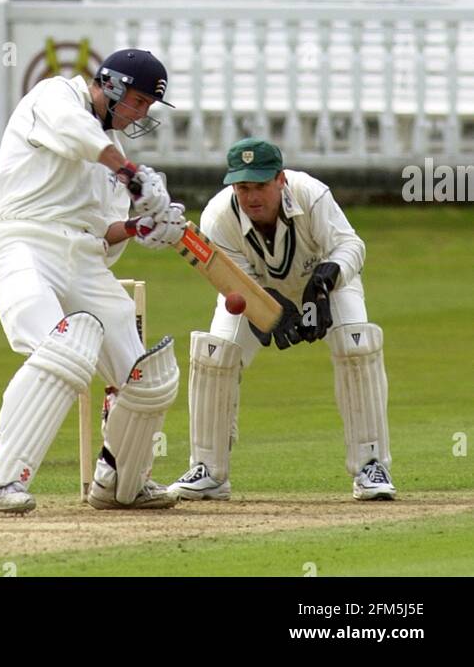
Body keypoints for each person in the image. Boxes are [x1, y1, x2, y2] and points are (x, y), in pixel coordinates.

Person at [0, 48, 184, 514]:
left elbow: (104, 236)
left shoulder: (114, 156)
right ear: (111, 85)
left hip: (83, 259)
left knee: (147, 378)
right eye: (141, 102)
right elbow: (76, 133)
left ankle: (120, 481)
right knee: (64, 348)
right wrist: (130, 176)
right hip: (23, 242)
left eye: (150, 106)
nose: (142, 114)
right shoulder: (54, 96)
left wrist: (139, 228)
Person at [168, 137, 395, 504]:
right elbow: (237, 283)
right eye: (243, 187)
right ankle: (208, 470)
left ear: (280, 180)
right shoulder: (217, 217)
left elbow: (351, 245)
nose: (252, 196)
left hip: (327, 283)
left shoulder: (311, 195)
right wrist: (268, 313)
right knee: (216, 354)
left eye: (260, 185)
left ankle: (371, 465)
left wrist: (326, 279)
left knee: (357, 345)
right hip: (253, 292)